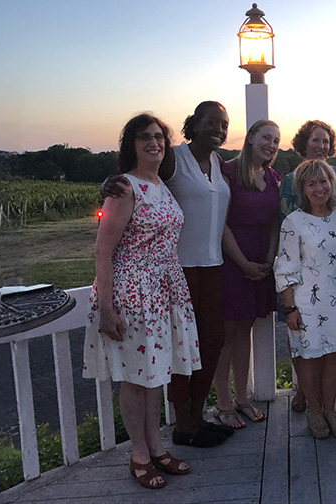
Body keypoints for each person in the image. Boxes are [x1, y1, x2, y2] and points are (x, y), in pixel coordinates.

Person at [100, 101, 233, 446]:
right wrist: (110, 182)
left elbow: (221, 216)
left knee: (212, 340)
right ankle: (184, 423)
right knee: (180, 345)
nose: (218, 129)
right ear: (193, 124)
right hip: (177, 268)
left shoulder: (218, 164)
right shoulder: (175, 156)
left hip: (211, 265)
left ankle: (197, 415)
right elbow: (140, 173)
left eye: (224, 124)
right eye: (211, 122)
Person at [83, 114, 198, 489]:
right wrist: (106, 307)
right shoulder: (124, 187)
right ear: (130, 145)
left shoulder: (161, 185)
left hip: (163, 290)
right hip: (132, 293)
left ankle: (156, 447)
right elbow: (103, 252)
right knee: (135, 379)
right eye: (144, 137)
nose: (154, 143)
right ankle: (139, 455)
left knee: (154, 376)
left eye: (159, 137)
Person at [212, 119, 282, 427]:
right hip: (232, 260)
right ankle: (223, 402)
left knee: (245, 332)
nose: (272, 144)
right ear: (251, 137)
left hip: (261, 261)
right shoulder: (226, 172)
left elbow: (274, 223)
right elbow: (221, 223)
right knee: (226, 335)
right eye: (267, 137)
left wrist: (268, 259)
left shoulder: (272, 177)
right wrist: (243, 263)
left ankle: (243, 398)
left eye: (277, 141)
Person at [274, 160, 336, 438]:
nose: (319, 188)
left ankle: (331, 409)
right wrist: (290, 306)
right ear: (303, 189)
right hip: (306, 302)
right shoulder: (294, 222)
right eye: (312, 183)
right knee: (309, 358)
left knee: (335, 357)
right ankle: (315, 411)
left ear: (332, 184)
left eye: (324, 181)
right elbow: (285, 267)